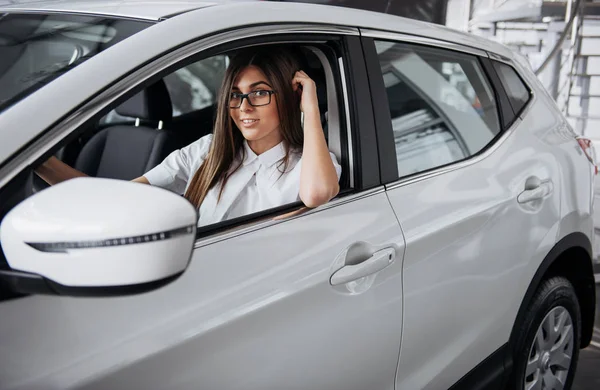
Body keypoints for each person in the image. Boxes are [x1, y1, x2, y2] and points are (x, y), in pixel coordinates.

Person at [35, 46, 342, 226]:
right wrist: (39, 162)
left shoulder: (311, 165)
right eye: (234, 95)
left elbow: (316, 194)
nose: (243, 107)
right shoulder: (207, 151)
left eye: (259, 93)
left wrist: (310, 108)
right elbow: (115, 198)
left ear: (291, 95)